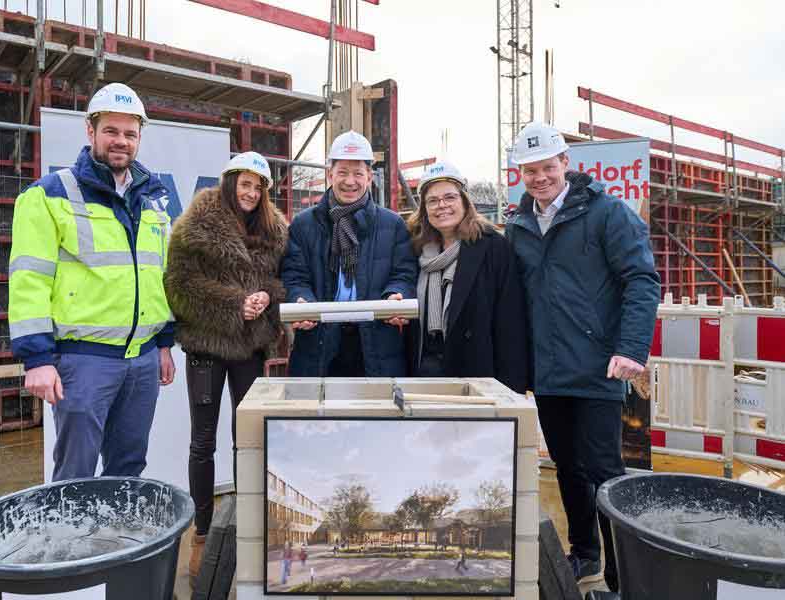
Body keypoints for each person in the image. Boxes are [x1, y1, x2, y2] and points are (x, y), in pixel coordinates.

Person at [504, 122, 660, 591]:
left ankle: (620, 571)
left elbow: (641, 280)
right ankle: (585, 555)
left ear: (565, 164)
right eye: (530, 171)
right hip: (549, 372)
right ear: (520, 173)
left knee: (604, 471)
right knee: (568, 470)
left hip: (597, 368)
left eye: (547, 167)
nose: (540, 178)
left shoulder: (607, 214)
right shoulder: (518, 225)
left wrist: (632, 349)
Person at [9, 82, 176, 482]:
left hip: (142, 360)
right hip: (84, 362)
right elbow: (29, 279)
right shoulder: (49, 195)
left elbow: (159, 276)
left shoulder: (152, 201)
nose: (121, 141)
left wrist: (165, 343)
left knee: (128, 469)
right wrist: (37, 359)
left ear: (139, 138)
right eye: (111, 131)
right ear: (91, 131)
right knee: (76, 474)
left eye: (129, 134)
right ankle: (71, 545)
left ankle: (118, 543)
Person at [163, 151, 288, 582]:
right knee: (203, 441)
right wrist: (236, 304)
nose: (251, 193)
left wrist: (265, 297)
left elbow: (278, 280)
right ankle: (201, 535)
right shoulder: (196, 225)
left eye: (259, 186)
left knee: (246, 440)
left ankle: (247, 527)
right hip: (207, 344)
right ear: (230, 181)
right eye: (245, 184)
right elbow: (179, 285)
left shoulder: (274, 231)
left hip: (249, 349)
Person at [281, 130, 417, 377]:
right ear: (329, 173)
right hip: (319, 339)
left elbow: (404, 272)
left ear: (369, 176)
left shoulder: (393, 225)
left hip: (375, 341)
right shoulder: (303, 225)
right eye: (342, 172)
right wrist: (301, 299)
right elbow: (294, 275)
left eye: (358, 173)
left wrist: (397, 294)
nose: (350, 181)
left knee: (375, 414)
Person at [406, 162, 528, 392]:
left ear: (464, 201)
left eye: (449, 197)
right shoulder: (417, 249)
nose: (442, 206)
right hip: (425, 372)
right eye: (432, 200)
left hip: (476, 373)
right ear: (424, 208)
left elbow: (510, 321)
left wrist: (512, 388)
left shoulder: (492, 247)